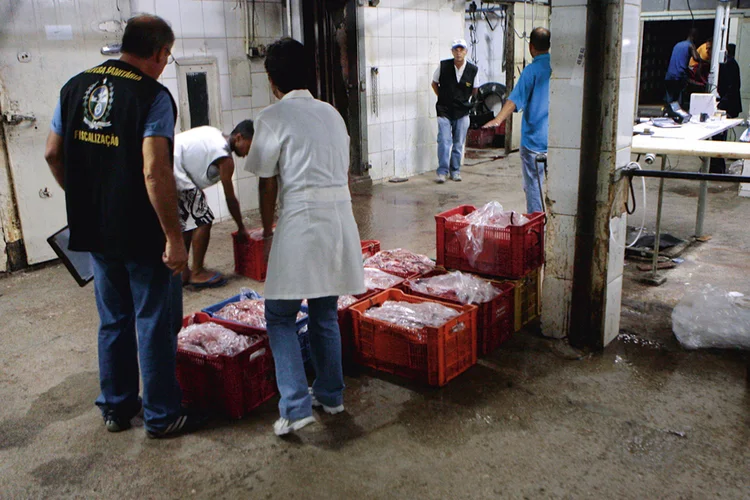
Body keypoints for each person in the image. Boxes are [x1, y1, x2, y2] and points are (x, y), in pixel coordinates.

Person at [44, 14, 205, 438]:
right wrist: (174, 238)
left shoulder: (74, 86)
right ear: (157, 53)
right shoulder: (152, 96)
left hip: (94, 229)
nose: (166, 64)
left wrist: (84, 199)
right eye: (167, 56)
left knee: (113, 319)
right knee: (154, 320)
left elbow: (52, 154)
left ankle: (116, 409)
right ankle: (161, 416)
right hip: (140, 232)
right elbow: (155, 172)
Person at [245, 38, 365, 436]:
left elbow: (267, 182)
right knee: (323, 311)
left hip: (300, 219)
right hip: (338, 219)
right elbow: (343, 173)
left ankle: (295, 405)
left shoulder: (273, 116)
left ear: (271, 79)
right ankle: (331, 395)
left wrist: (266, 231)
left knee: (278, 315)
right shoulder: (331, 114)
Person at [174, 121, 254, 288]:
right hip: (174, 167)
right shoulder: (224, 156)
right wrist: (241, 226)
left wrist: (196, 191)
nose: (248, 153)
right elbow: (230, 197)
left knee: (191, 219)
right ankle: (197, 272)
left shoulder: (216, 135)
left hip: (169, 160)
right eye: (249, 146)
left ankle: (181, 271)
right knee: (204, 219)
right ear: (239, 137)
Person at [483, 27, 551, 214]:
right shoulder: (558, 68)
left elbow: (514, 100)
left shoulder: (531, 71)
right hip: (557, 142)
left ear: (531, 47)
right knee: (557, 188)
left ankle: (536, 227)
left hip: (534, 142)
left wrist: (497, 119)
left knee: (534, 186)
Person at [431, 38, 478, 183]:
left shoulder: (473, 69)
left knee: (458, 143)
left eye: (461, 50)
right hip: (444, 110)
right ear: (452, 52)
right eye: (456, 50)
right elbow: (434, 83)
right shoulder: (443, 66)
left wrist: (464, 101)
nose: (458, 53)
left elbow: (475, 89)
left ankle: (455, 170)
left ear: (466, 52)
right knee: (444, 141)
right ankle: (442, 171)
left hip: (462, 111)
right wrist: (443, 97)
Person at [711, 43, 742, 174]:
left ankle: (717, 167)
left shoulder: (729, 64)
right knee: (720, 136)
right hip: (729, 103)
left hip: (727, 104)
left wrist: (721, 104)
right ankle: (718, 167)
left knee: (719, 136)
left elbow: (730, 87)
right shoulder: (733, 63)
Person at [665, 30, 705, 106]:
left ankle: (668, 113)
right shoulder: (690, 45)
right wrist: (705, 61)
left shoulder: (678, 44)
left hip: (669, 75)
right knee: (678, 100)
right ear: (693, 37)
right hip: (679, 76)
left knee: (670, 99)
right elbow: (696, 58)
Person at [718, 43, 742, 119]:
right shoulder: (733, 63)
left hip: (728, 101)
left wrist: (723, 101)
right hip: (730, 100)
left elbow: (731, 85)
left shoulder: (729, 63)